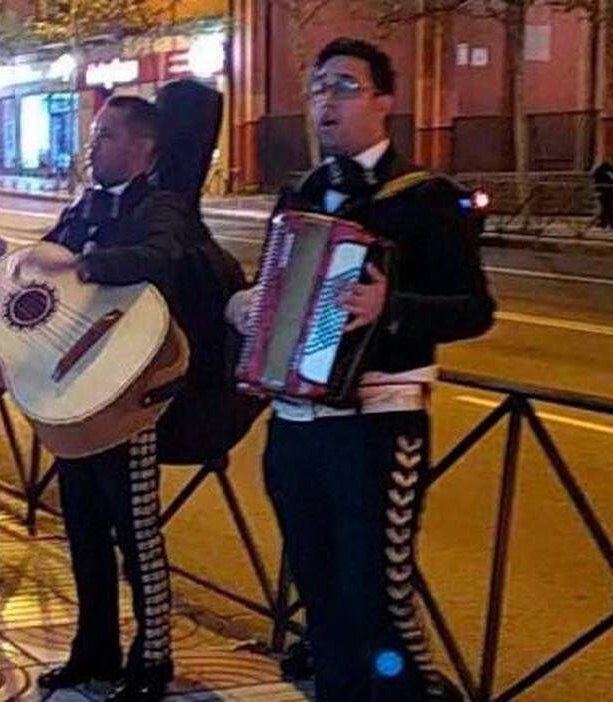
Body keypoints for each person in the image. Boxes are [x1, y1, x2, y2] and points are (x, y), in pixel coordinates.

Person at [227, 39, 494, 701]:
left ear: (385, 102)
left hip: (378, 431)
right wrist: (246, 308)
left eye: (344, 86)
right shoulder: (302, 193)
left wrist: (390, 306)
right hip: (295, 431)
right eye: (318, 87)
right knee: (320, 605)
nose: (326, 100)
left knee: (377, 604)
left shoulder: (426, 199)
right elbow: (274, 290)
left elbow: (475, 310)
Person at [31, 96, 192, 702]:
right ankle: (93, 649)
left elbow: (161, 260)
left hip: (132, 398)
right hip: (75, 395)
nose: (92, 145)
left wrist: (93, 264)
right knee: (83, 527)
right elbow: (44, 260)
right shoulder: (84, 207)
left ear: (142, 148)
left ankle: (152, 660)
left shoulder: (162, 207)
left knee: (137, 531)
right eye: (94, 134)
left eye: (105, 135)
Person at [591, 159, 613, 229]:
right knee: (609, 209)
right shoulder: (610, 171)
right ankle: (610, 223)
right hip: (609, 192)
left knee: (606, 209)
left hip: (606, 192)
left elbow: (595, 178)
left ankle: (605, 223)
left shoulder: (603, 171)